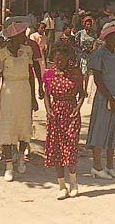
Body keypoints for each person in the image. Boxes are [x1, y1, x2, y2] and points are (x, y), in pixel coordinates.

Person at [0, 22, 39, 182]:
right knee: (7, 126)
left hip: (24, 91)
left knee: (23, 124)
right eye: (22, 35)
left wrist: (34, 96)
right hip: (8, 92)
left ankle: (21, 159)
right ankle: (9, 165)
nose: (25, 37)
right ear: (14, 37)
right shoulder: (1, 54)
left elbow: (31, 76)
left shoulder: (27, 51)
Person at [44, 45, 86, 199]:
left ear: (68, 58)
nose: (59, 61)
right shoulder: (49, 74)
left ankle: (74, 183)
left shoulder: (75, 73)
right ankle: (62, 185)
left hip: (71, 112)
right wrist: (48, 109)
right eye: (56, 59)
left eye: (62, 58)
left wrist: (78, 108)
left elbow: (82, 93)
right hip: (55, 113)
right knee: (56, 148)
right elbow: (46, 94)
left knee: (70, 146)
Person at [87, 26, 115, 180]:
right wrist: (109, 98)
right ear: (107, 38)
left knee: (112, 132)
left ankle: (110, 165)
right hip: (104, 98)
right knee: (100, 129)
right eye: (114, 38)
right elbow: (98, 78)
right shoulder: (99, 55)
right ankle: (96, 166)